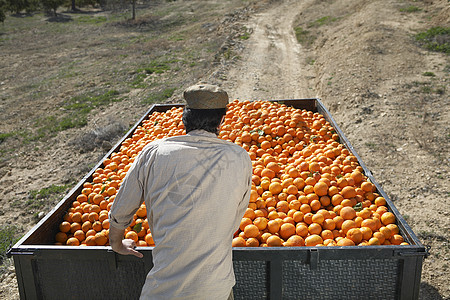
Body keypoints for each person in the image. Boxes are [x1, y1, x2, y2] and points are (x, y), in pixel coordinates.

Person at [108, 83, 253, 300]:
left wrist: (117, 243)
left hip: (164, 291)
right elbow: (234, 218)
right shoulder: (239, 157)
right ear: (221, 120)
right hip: (215, 290)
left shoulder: (154, 153)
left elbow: (121, 210)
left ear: (184, 117)